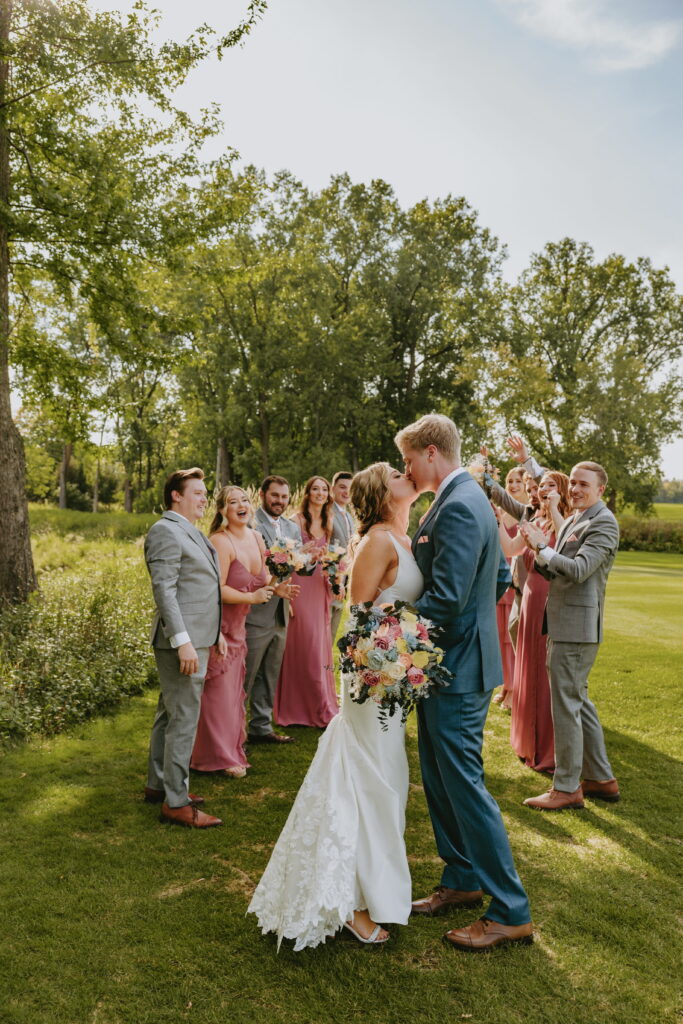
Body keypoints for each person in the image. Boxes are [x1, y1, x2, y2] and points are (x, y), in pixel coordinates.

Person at [248, 463, 423, 948]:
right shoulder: (377, 542)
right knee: (372, 779)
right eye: (396, 475)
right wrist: (390, 651)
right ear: (383, 493)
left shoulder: (403, 536)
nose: (405, 476)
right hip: (372, 673)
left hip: (393, 669)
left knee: (389, 778)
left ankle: (367, 888)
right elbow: (358, 618)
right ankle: (352, 902)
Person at [396, 414, 533, 952]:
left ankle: (510, 910)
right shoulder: (465, 498)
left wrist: (392, 633)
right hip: (452, 664)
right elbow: (497, 576)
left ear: (431, 452)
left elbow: (448, 599)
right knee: (440, 779)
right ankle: (461, 878)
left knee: (465, 786)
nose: (407, 468)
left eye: (409, 458)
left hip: (457, 669)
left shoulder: (457, 504)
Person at [520, 462, 620, 811]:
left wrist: (543, 548)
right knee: (578, 701)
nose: (575, 489)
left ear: (600, 490)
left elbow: (579, 570)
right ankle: (601, 779)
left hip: (577, 628)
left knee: (565, 705)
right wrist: (539, 550)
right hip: (565, 623)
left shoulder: (603, 522)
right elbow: (556, 568)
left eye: (583, 485)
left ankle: (566, 787)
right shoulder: (577, 518)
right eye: (573, 482)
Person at [143, 467, 225, 829]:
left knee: (169, 713)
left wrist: (217, 632)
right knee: (183, 719)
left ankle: (158, 785)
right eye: (198, 492)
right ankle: (176, 802)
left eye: (205, 493)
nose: (204, 498)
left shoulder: (190, 530)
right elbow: (165, 591)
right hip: (182, 642)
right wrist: (184, 642)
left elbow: (200, 589)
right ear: (176, 495)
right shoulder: (165, 530)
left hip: (198, 636)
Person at [191, 486, 279, 779]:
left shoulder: (256, 537)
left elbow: (263, 578)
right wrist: (251, 598)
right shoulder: (220, 540)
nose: (241, 505)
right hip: (219, 626)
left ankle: (229, 748)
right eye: (232, 502)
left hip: (239, 627)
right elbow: (215, 589)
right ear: (222, 510)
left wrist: (278, 586)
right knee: (217, 694)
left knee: (232, 693)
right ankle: (213, 757)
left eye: (244, 500)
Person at [502, 472, 571, 774]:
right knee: (527, 664)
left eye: (551, 485)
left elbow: (565, 548)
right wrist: (495, 519)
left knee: (544, 671)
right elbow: (511, 549)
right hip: (529, 595)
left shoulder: (566, 522)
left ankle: (546, 747)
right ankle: (526, 741)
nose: (543, 489)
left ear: (562, 491)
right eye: (541, 486)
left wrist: (554, 508)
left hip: (548, 598)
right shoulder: (536, 521)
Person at [274, 476, 339, 729]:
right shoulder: (296, 521)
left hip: (320, 586)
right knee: (303, 644)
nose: (320, 493)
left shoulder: (329, 521)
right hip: (300, 586)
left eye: (324, 489)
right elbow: (285, 557)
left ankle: (320, 702)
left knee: (319, 644)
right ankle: (296, 707)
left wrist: (335, 574)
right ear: (308, 493)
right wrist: (305, 554)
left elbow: (334, 555)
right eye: (315, 489)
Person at [244, 476, 302, 746]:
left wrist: (310, 560)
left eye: (284, 496)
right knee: (246, 674)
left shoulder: (292, 527)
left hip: (281, 609)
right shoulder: (250, 523)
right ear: (262, 495)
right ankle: (233, 734)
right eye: (275, 495)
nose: (280, 501)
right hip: (256, 609)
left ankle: (261, 726)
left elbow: (298, 565)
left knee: (269, 672)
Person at [491, 467, 528, 710]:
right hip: (498, 580)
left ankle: (516, 688)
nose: (513, 485)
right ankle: (507, 684)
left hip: (517, 580)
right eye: (510, 481)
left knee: (512, 637)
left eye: (518, 481)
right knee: (500, 636)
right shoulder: (500, 512)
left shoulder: (528, 514)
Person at [329, 471, 355, 647]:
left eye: (350, 488)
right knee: (323, 633)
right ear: (333, 489)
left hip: (343, 582)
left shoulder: (350, 517)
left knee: (332, 633)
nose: (346, 492)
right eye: (342, 487)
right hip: (329, 581)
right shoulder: (327, 513)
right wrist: (334, 581)